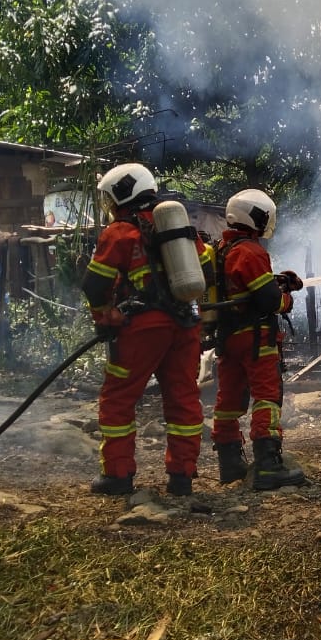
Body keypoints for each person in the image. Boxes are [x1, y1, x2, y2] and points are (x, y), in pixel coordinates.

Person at [80, 163, 215, 497]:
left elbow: (94, 284)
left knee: (119, 398)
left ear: (122, 195)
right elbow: (208, 272)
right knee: (183, 398)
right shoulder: (179, 227)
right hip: (184, 325)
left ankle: (118, 475)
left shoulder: (119, 233)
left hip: (141, 329)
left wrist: (103, 317)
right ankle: (182, 477)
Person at [209, 187, 306, 491]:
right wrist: (286, 300)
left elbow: (247, 287)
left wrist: (278, 281)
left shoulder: (221, 250)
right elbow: (269, 300)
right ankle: (267, 465)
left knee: (228, 400)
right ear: (256, 217)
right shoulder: (250, 251)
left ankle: (230, 465)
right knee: (266, 396)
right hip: (255, 339)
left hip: (228, 338)